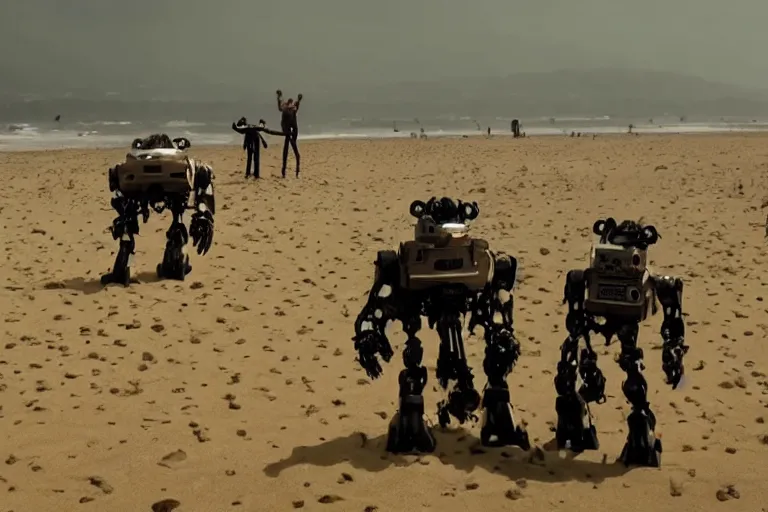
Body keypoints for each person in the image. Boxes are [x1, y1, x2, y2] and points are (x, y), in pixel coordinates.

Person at [276, 89, 303, 178]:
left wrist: (298, 100)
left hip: (293, 130)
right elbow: (281, 106)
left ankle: (295, 171)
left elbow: (296, 104)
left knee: (293, 150)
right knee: (287, 150)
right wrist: (279, 97)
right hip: (287, 130)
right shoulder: (285, 108)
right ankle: (284, 171)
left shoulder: (293, 109)